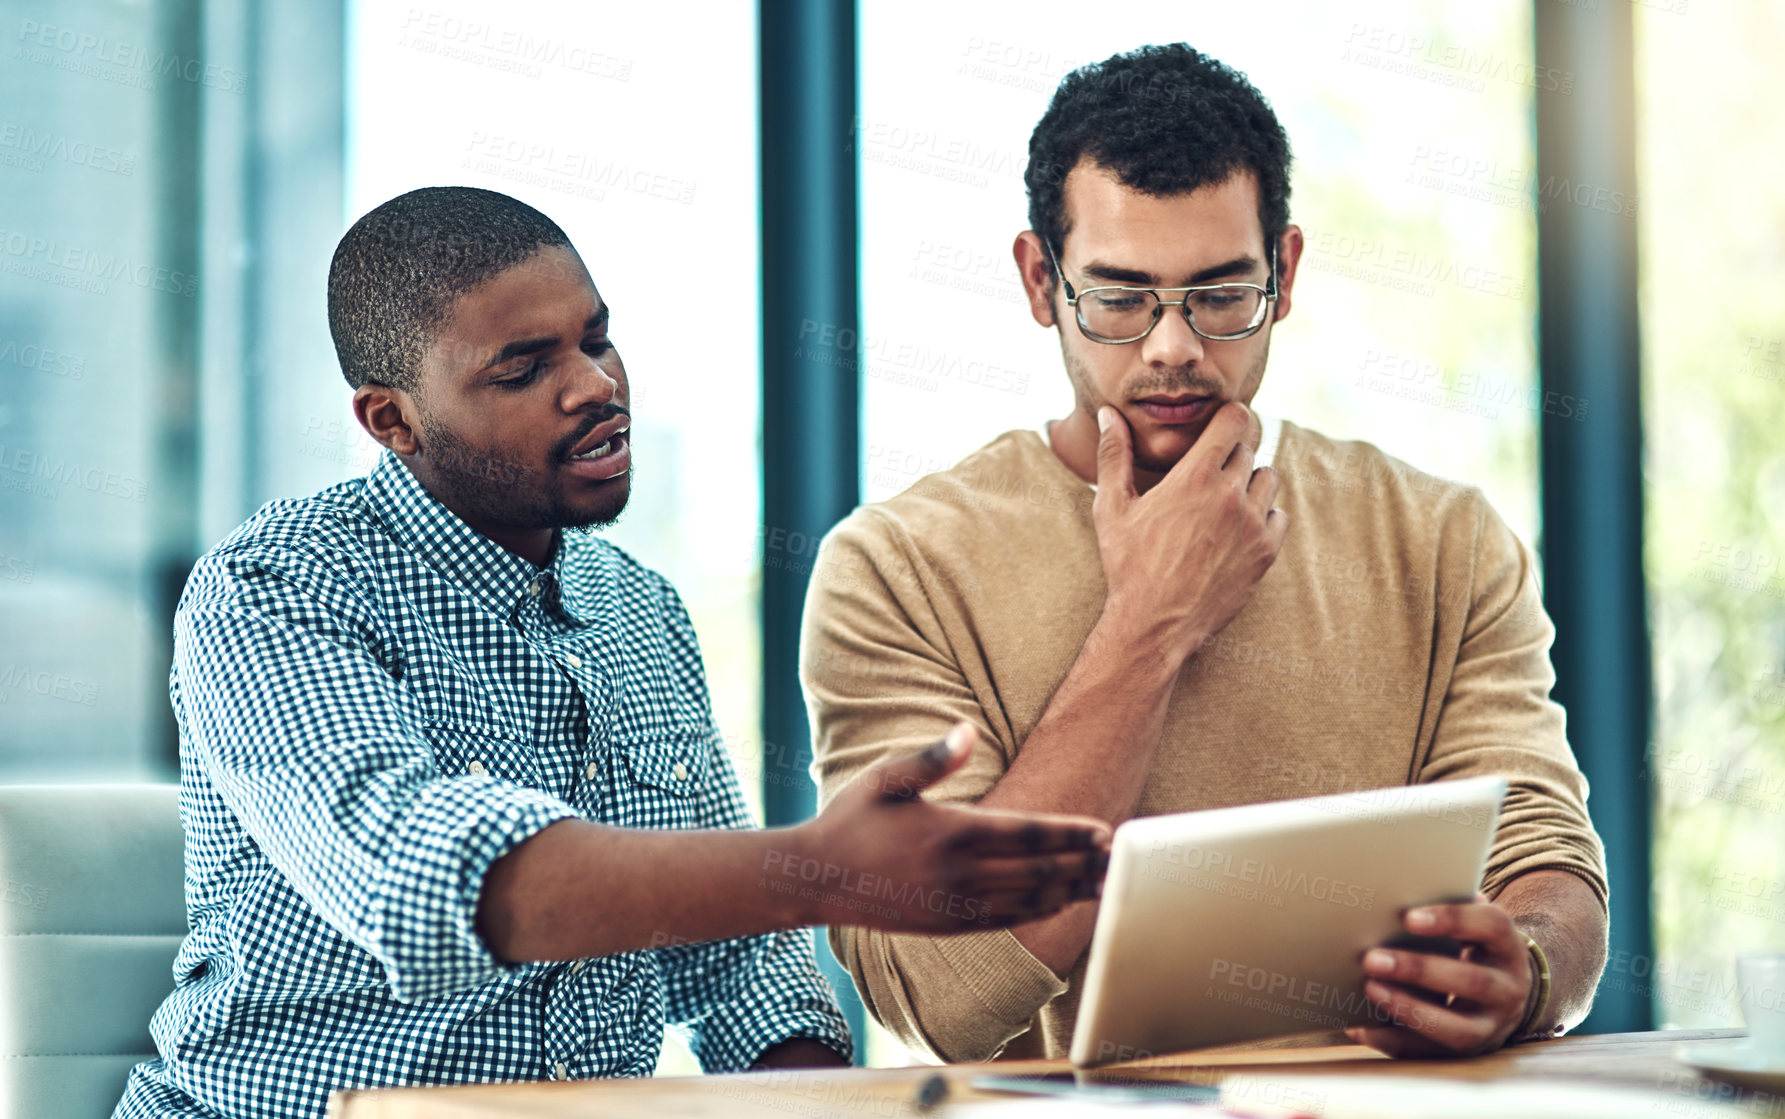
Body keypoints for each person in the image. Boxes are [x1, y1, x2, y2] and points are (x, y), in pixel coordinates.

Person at [116, 186, 1109, 1119]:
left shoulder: (640, 610)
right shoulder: (275, 588)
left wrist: (814, 1091)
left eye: (597, 340)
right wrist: (825, 871)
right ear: (392, 419)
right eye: (524, 368)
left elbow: (739, 967)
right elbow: (431, 880)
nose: (594, 386)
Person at [801, 44, 1609, 1064]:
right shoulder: (893, 568)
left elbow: (1545, 859)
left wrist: (1527, 968)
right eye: (1121, 297)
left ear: (1287, 271)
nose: (1173, 348)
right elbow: (940, 995)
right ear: (1040, 280)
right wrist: (1152, 621)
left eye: (1222, 294)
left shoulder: (1442, 538)